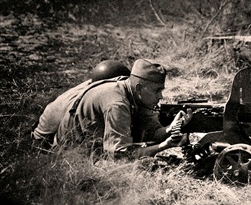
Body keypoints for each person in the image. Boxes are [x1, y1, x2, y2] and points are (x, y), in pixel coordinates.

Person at [32, 59, 191, 159]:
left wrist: (170, 129)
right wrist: (164, 147)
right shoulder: (117, 103)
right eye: (157, 91)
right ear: (140, 88)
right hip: (67, 156)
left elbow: (150, 132)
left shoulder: (133, 92)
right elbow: (119, 155)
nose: (161, 96)